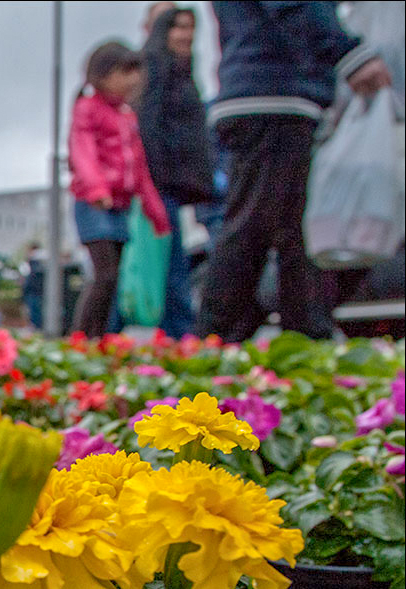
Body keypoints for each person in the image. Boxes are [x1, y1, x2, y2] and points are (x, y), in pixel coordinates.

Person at [195, 1, 392, 343]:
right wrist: (351, 54)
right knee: (258, 227)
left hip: (265, 92)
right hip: (275, 93)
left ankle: (298, 335)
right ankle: (214, 337)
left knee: (291, 230)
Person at [68, 41, 171, 339]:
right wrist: (97, 188)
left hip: (121, 206)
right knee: (104, 273)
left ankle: (98, 336)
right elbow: (82, 151)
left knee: (113, 279)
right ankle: (82, 336)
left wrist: (156, 213)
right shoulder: (87, 108)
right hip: (94, 203)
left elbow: (139, 170)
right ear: (102, 75)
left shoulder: (127, 117)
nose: (132, 81)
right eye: (124, 72)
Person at [135, 6, 214, 338]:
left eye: (190, 28)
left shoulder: (183, 72)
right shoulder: (153, 68)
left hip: (175, 184)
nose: (186, 35)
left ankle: (177, 332)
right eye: (177, 27)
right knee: (166, 265)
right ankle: (177, 333)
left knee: (173, 261)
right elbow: (149, 126)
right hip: (157, 183)